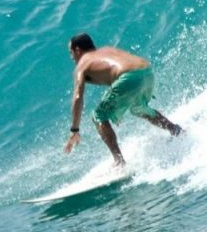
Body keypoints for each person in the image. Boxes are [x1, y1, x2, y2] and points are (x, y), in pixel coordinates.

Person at [63, 33, 182, 166]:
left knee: (98, 115)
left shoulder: (82, 64)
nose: (72, 57)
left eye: (71, 53)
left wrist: (75, 130)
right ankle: (176, 130)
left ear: (77, 50)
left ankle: (119, 162)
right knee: (138, 109)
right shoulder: (107, 50)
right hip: (147, 71)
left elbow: (78, 96)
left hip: (129, 77)